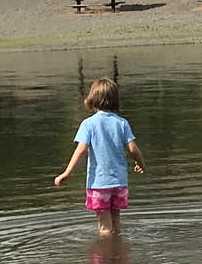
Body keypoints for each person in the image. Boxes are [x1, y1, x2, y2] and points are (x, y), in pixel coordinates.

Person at [53, 77, 146, 235]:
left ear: (92, 99)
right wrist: (141, 164)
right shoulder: (122, 123)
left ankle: (106, 257)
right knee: (116, 224)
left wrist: (66, 173)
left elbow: (80, 150)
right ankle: (118, 257)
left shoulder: (88, 124)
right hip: (119, 183)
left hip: (99, 183)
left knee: (104, 228)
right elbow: (133, 149)